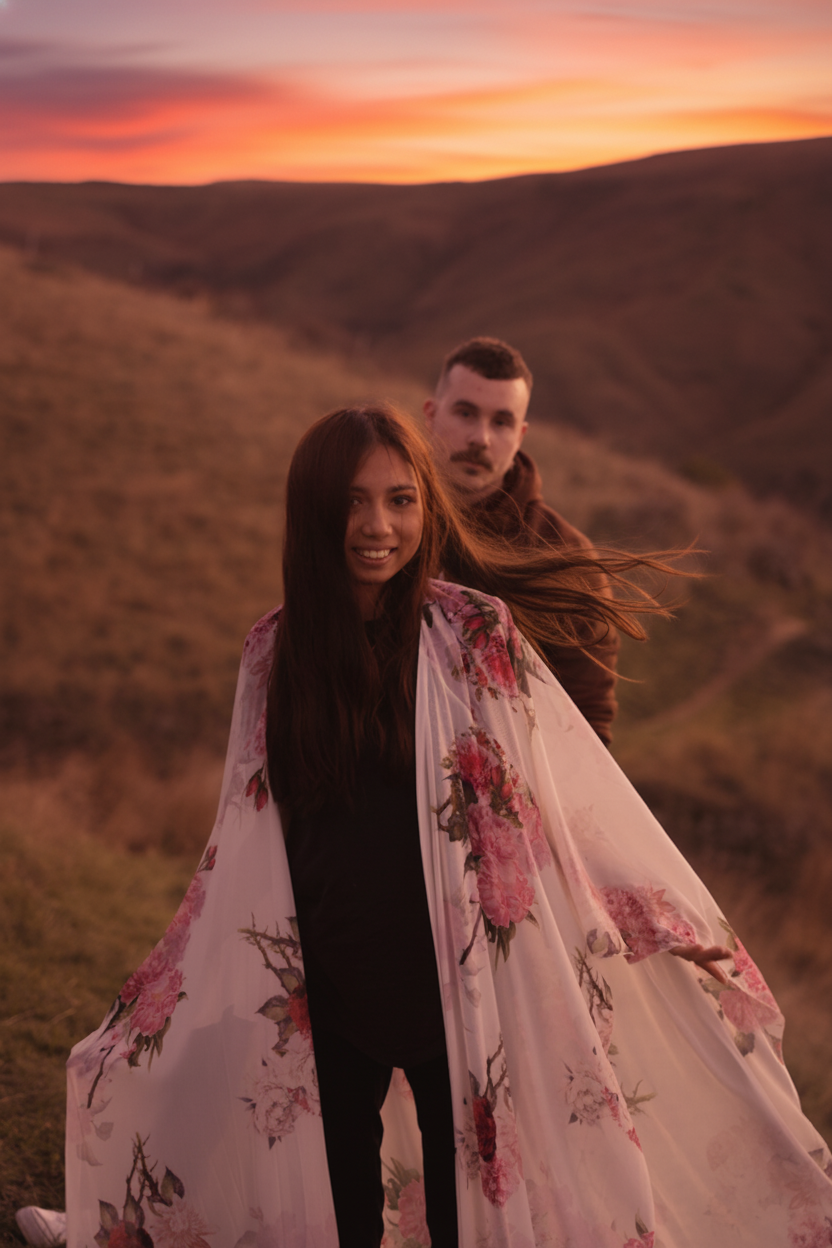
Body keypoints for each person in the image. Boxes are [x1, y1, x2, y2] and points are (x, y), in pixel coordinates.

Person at [65, 406, 832, 1248]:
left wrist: (649, 913)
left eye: (401, 500)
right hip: (326, 981)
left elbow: (551, 807)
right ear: (312, 510)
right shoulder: (274, 654)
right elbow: (242, 836)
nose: (378, 526)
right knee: (343, 1214)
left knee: (473, 1213)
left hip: (457, 990)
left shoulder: (472, 635)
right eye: (354, 502)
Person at [424, 337, 619, 745]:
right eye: (465, 413)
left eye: (501, 422)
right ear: (431, 414)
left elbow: (587, 728)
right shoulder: (382, 525)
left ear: (521, 434)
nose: (481, 438)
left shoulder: (565, 558)